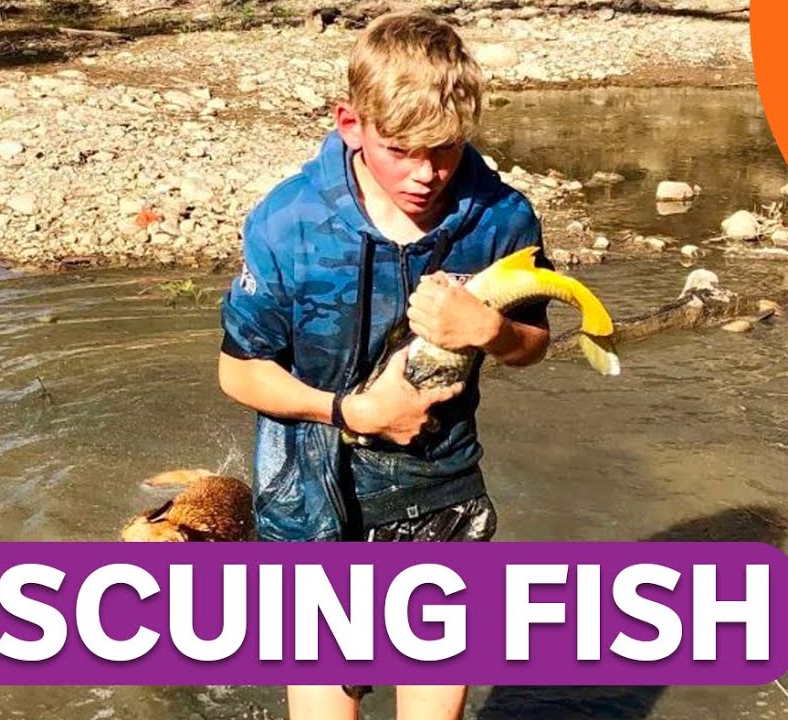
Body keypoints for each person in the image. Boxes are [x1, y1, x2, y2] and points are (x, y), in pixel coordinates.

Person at [217, 8, 553, 719]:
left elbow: (535, 344)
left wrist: (489, 329)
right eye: (402, 150)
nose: (427, 175)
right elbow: (239, 372)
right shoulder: (287, 225)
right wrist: (354, 412)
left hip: (440, 489)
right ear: (350, 123)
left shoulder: (502, 219)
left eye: (446, 151)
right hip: (309, 499)